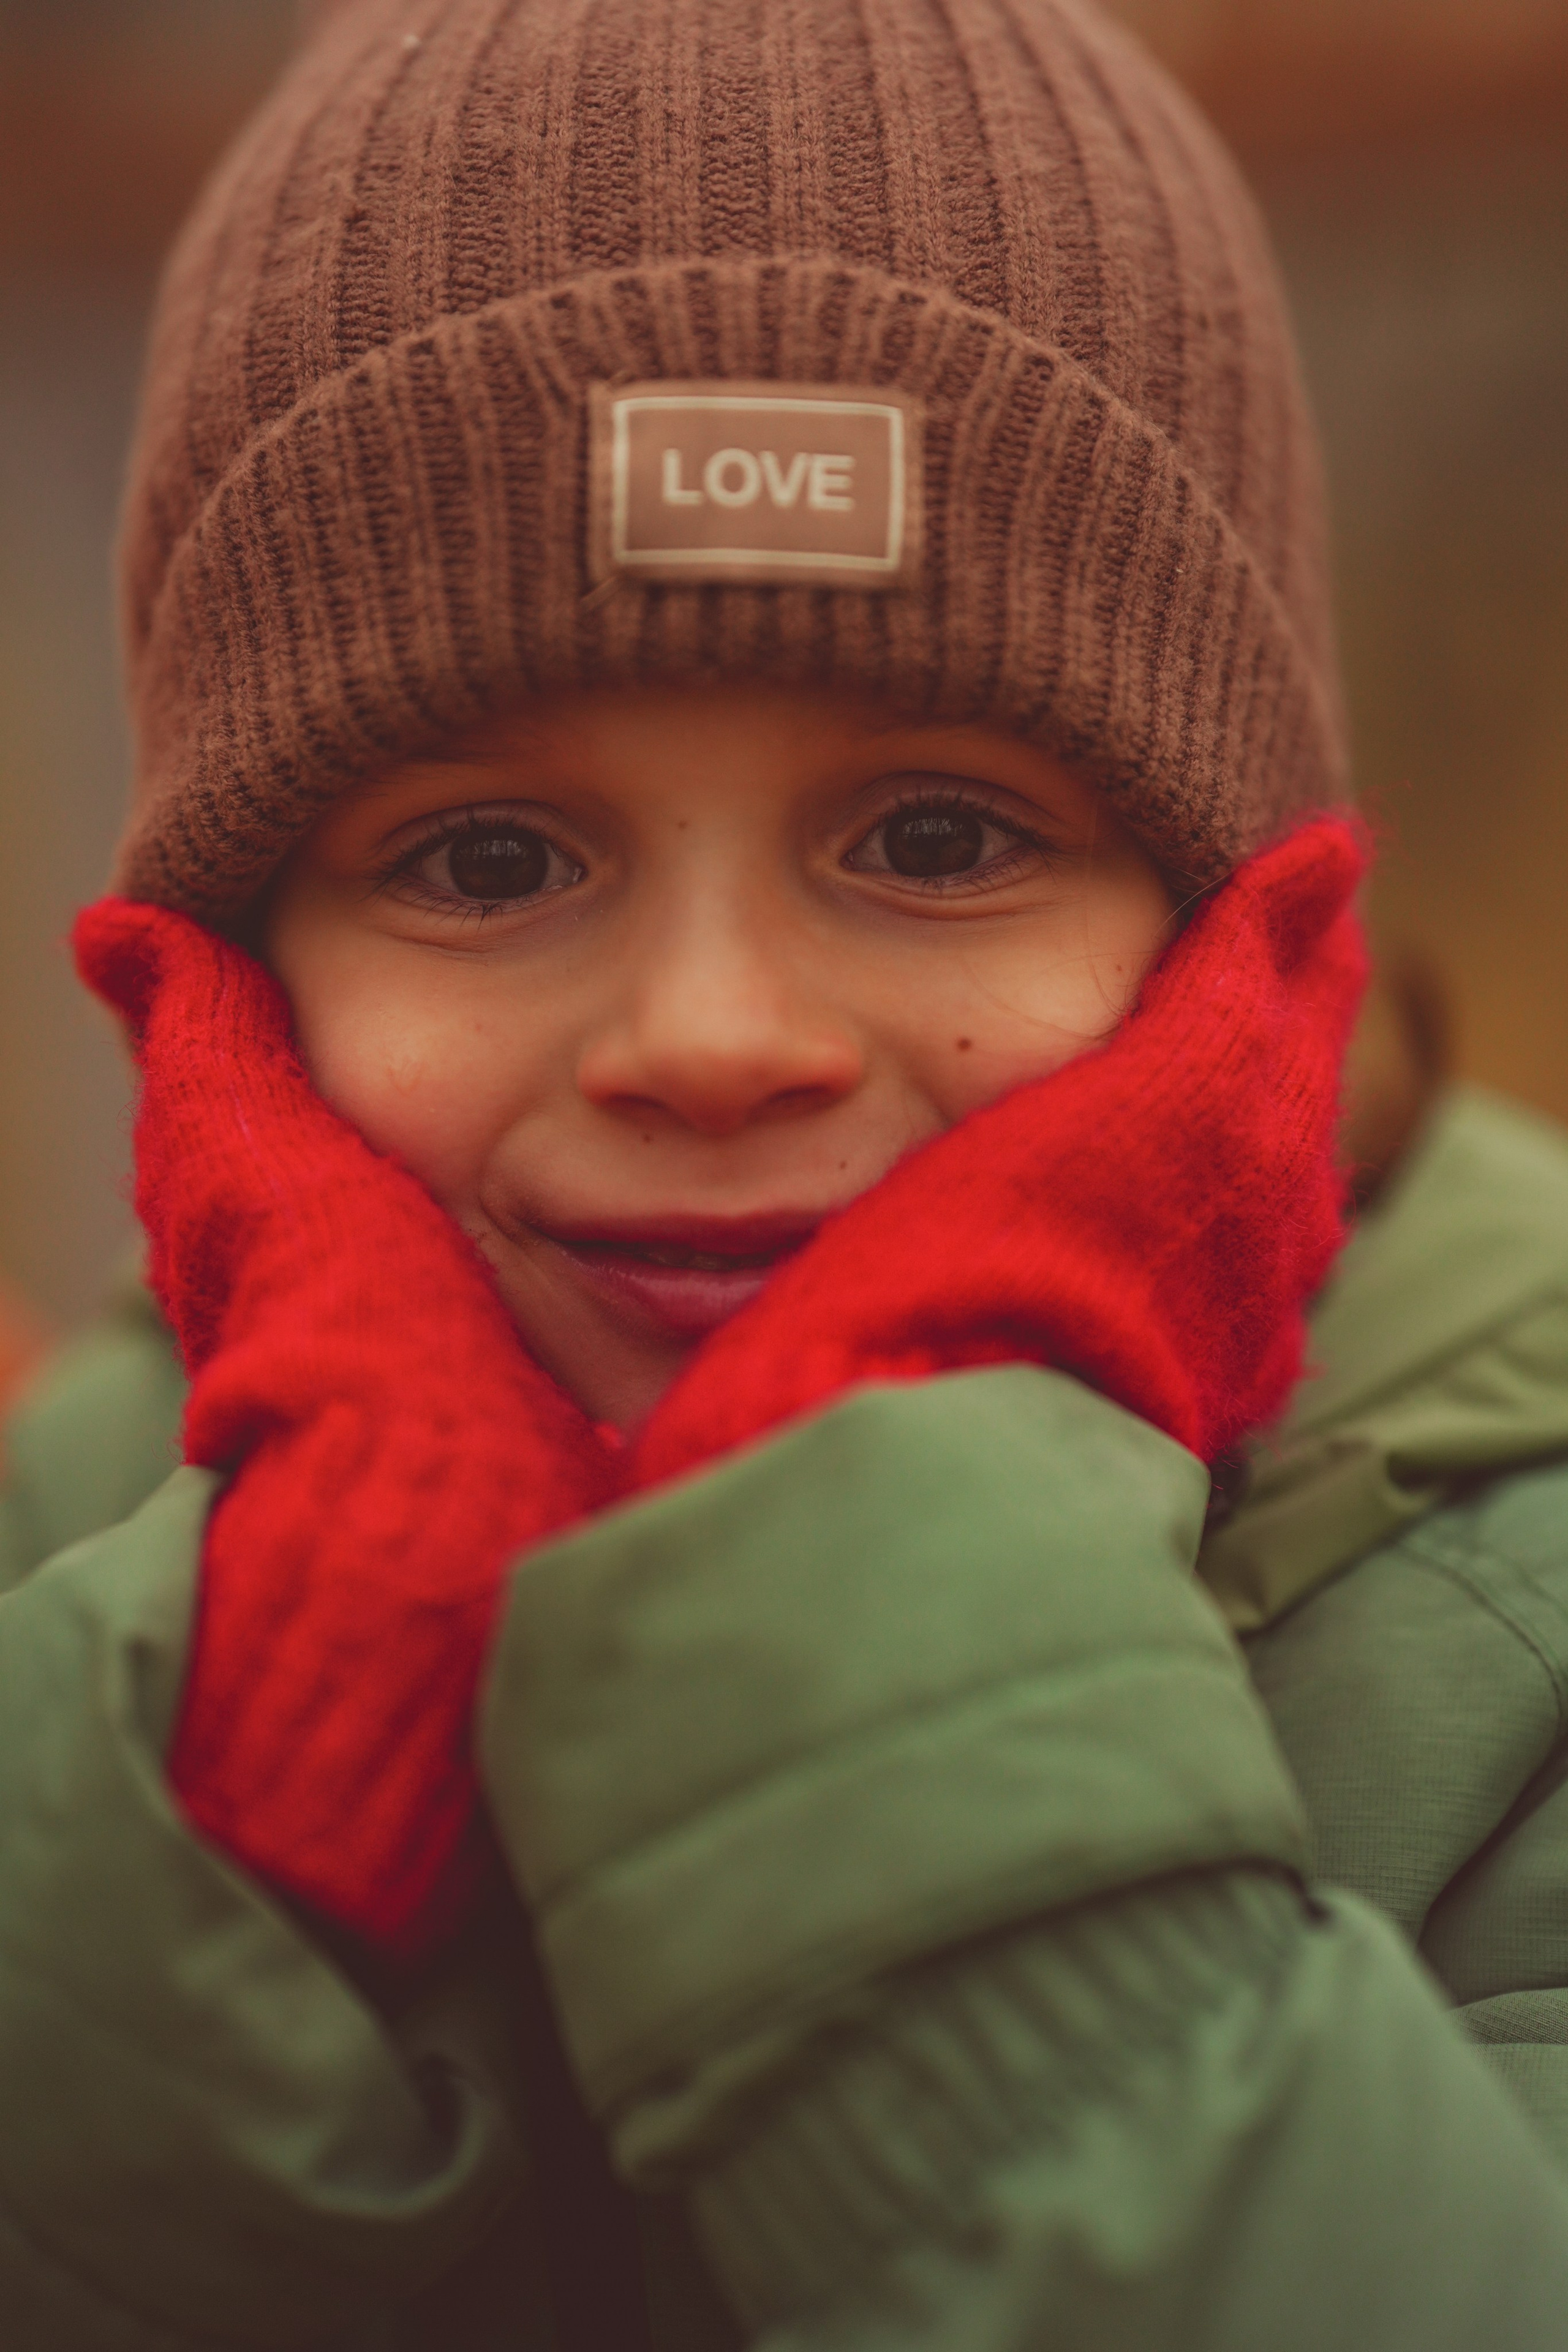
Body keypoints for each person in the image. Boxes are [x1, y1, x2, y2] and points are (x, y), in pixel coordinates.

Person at [6, 2, 1568, 2346]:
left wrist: (852, 1654)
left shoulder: (1529, 1629)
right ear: (230, 991)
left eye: (937, 837)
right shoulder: (70, 1590)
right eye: (489, 854)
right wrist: (242, 1853)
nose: (716, 1036)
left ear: (1247, 943)